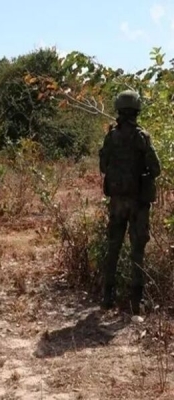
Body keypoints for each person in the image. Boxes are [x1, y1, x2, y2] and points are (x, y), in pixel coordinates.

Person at [99, 90, 161, 315]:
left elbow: (103, 166)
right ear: (137, 110)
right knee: (137, 251)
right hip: (137, 203)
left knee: (113, 248)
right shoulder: (141, 137)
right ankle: (136, 303)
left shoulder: (111, 136)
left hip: (117, 202)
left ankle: (107, 298)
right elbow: (156, 169)